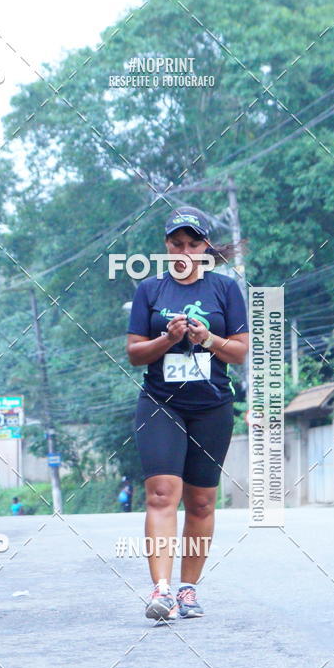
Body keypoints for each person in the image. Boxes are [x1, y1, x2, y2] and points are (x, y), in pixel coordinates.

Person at [126, 205, 249, 621]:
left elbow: (240, 350)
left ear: (205, 248)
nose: (184, 251)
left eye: (193, 244)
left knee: (200, 503)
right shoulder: (150, 290)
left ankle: (188, 589)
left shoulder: (225, 290)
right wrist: (167, 339)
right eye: (176, 244)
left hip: (212, 405)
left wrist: (208, 337)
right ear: (166, 246)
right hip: (162, 402)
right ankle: (160, 590)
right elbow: (133, 353)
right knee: (161, 493)